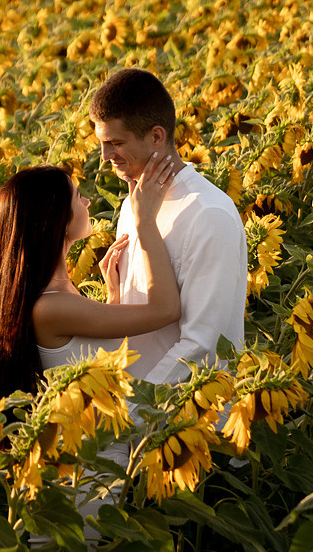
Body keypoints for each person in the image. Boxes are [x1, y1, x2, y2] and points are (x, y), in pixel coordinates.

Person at [0, 155, 185, 402]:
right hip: (94, 438)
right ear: (57, 219)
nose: (87, 201)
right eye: (77, 197)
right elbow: (166, 310)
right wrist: (145, 221)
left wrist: (113, 298)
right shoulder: (50, 307)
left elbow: (84, 354)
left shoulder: (54, 295)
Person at [89, 68, 248, 385]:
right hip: (133, 416)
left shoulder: (208, 215)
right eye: (102, 143)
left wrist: (136, 414)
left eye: (115, 142)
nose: (105, 156)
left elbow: (204, 345)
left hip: (186, 421)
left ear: (156, 137)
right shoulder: (131, 205)